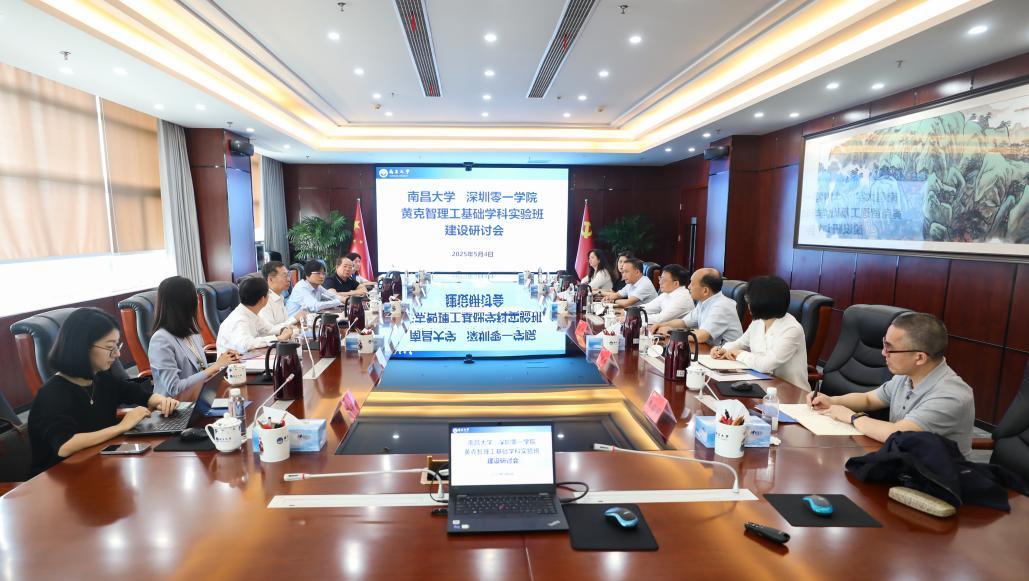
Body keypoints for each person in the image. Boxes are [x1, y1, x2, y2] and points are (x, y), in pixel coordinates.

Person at [28, 308, 181, 474]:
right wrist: (121, 427)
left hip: (98, 465)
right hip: (60, 477)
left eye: (117, 345)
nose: (117, 353)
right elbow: (64, 446)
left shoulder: (101, 377)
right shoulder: (51, 394)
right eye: (110, 347)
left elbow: (135, 393)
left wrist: (160, 401)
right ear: (83, 348)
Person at [808, 313, 975, 458]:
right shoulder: (907, 376)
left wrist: (852, 417)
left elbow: (897, 433)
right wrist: (832, 401)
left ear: (919, 358)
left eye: (890, 349)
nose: (883, 353)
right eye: (884, 344)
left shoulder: (950, 396)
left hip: (936, 478)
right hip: (902, 461)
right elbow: (868, 399)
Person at [149, 276, 239, 397]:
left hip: (200, 395)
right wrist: (214, 367)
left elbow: (199, 370)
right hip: (178, 404)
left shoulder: (191, 333)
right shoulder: (160, 340)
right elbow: (175, 388)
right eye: (195, 298)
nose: (198, 302)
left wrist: (223, 361)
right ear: (184, 304)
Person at [712, 275, 808, 389]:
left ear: (763, 302)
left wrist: (739, 354)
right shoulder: (758, 322)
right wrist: (723, 349)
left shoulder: (792, 329)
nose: (748, 304)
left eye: (750, 300)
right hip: (761, 384)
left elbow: (766, 365)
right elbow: (741, 343)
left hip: (791, 392)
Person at [652, 267, 743, 345]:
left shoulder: (721, 306)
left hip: (726, 356)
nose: (689, 287)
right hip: (711, 351)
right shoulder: (704, 302)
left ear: (705, 291)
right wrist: (662, 325)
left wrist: (670, 332)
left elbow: (701, 336)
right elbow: (683, 322)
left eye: (692, 283)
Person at [217, 277, 294, 355]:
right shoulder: (239, 319)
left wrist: (283, 330)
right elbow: (246, 345)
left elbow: (268, 329)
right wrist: (278, 338)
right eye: (268, 294)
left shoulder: (252, 312)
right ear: (263, 299)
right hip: (235, 361)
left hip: (249, 357)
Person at [259, 261, 305, 332]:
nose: (289, 279)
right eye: (285, 276)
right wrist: (294, 319)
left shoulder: (280, 296)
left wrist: (296, 325)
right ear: (270, 279)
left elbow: (284, 323)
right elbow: (269, 330)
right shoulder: (263, 300)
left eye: (288, 275)